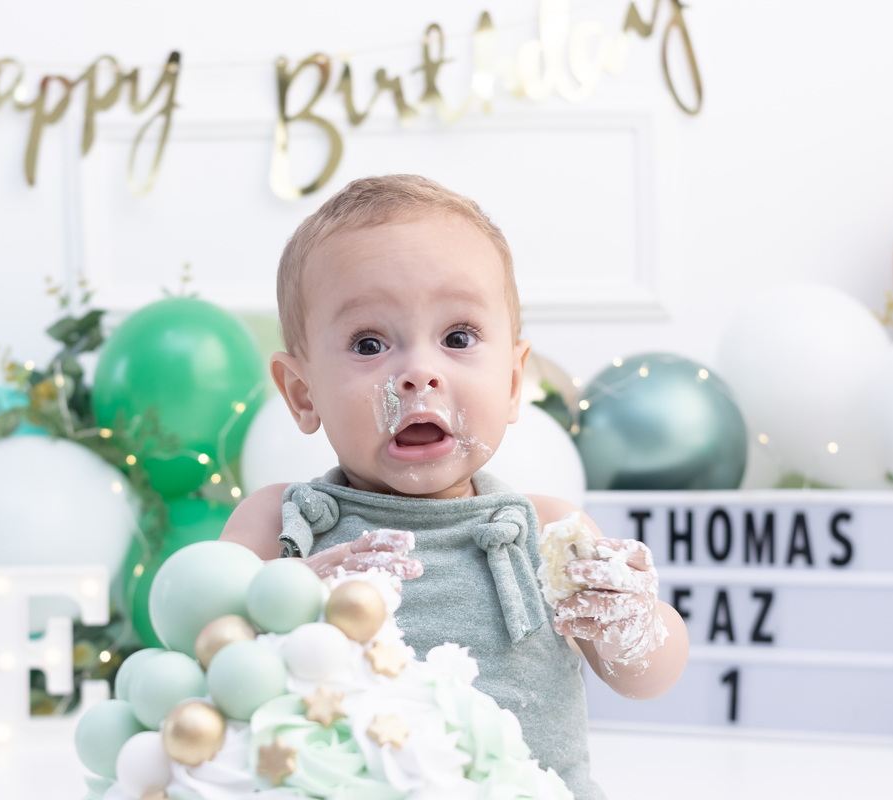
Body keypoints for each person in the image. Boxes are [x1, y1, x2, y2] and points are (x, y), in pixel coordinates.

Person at [220, 174, 688, 799]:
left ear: (515, 382)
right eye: (369, 343)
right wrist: (288, 603)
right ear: (304, 395)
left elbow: (645, 679)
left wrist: (630, 622)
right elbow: (205, 654)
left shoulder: (546, 530)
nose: (419, 373)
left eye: (458, 338)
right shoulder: (281, 525)